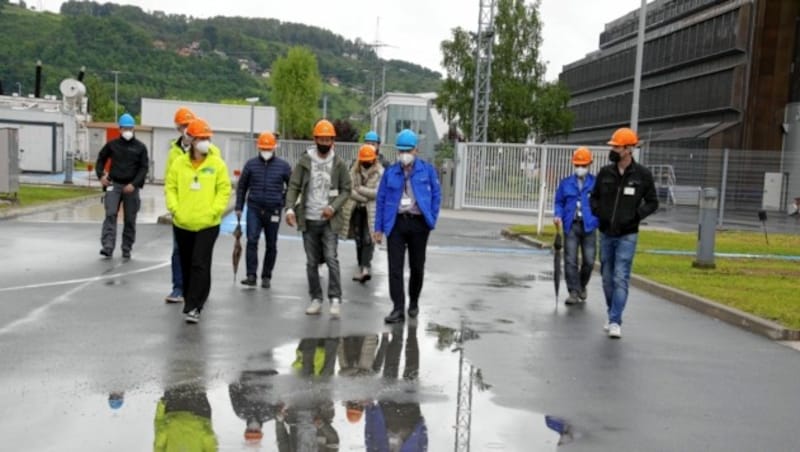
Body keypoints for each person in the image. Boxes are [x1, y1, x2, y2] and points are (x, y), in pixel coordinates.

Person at [590, 127, 658, 338]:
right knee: (607, 277)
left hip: (628, 234)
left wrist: (636, 215)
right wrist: (598, 212)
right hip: (606, 233)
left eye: (617, 147)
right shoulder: (605, 173)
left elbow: (653, 202)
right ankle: (612, 313)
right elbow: (594, 197)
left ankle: (615, 321)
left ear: (628, 149)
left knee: (621, 277)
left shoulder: (642, 175)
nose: (613, 149)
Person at [165, 118, 231, 324]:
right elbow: (170, 187)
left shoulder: (217, 164)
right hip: (183, 222)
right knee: (185, 263)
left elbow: (224, 189)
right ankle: (189, 297)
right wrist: (175, 209)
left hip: (207, 224)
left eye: (207, 138)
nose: (205, 142)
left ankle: (195, 306)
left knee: (200, 264)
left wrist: (215, 211)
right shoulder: (179, 163)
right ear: (191, 140)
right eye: (201, 138)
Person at [373, 129, 441, 324]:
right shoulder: (390, 172)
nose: (404, 154)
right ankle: (397, 308)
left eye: (408, 150)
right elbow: (381, 199)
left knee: (417, 267)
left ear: (416, 150)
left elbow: (437, 195)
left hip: (419, 224)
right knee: (395, 268)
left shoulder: (427, 170)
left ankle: (414, 301)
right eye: (401, 150)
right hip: (396, 223)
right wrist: (378, 228)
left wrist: (432, 218)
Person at [285, 119, 351, 318]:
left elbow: (347, 189)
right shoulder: (304, 162)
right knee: (312, 261)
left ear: (333, 141)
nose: (324, 142)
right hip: (309, 219)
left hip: (329, 221)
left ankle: (335, 299)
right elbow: (294, 186)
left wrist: (333, 207)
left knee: (331, 258)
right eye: (321, 138)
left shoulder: (338, 164)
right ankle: (316, 298)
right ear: (315, 140)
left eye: (328, 139)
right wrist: (289, 209)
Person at [235, 131, 292, 289]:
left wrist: (284, 202)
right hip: (254, 208)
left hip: (273, 210)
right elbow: (242, 186)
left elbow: (292, 186)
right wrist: (239, 206)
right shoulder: (250, 164)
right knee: (252, 240)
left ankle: (266, 276)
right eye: (263, 148)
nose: (266, 151)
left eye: (269, 148)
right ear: (258, 147)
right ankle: (251, 275)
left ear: (274, 148)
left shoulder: (283, 166)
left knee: (271, 244)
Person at [95, 113, 149, 259]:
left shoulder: (140, 147)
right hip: (114, 184)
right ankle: (108, 246)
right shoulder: (112, 145)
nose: (128, 131)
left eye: (130, 128)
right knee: (110, 214)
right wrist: (101, 175)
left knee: (130, 219)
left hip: (131, 187)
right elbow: (101, 159)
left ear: (134, 129)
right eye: (125, 128)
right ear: (119, 129)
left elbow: (144, 168)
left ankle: (127, 248)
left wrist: (135, 184)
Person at [553, 147, 599, 305]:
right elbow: (559, 202)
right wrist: (558, 215)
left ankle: (581, 285)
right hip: (571, 225)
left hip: (589, 226)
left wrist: (597, 218)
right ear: (574, 165)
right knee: (570, 260)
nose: (581, 168)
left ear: (589, 164)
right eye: (578, 165)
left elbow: (601, 203)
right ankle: (573, 291)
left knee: (589, 260)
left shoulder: (595, 183)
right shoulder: (566, 183)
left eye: (584, 165)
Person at [164, 107, 196, 303]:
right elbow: (170, 183)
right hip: (181, 211)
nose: (186, 129)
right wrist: (173, 208)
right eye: (183, 126)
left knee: (198, 254)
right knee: (178, 250)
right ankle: (178, 287)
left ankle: (195, 288)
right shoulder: (174, 152)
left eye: (188, 125)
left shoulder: (207, 150)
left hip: (201, 210)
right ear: (178, 128)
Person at [339, 144, 384, 283]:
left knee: (368, 238)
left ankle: (365, 267)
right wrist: (363, 195)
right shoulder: (354, 171)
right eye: (364, 160)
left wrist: (360, 190)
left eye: (369, 160)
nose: (366, 162)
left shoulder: (380, 173)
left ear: (374, 159)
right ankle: (361, 266)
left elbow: (377, 193)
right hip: (356, 209)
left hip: (371, 210)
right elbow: (349, 190)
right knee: (358, 238)